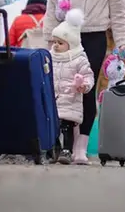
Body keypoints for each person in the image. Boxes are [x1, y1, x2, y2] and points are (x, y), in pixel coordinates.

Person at [43, 0, 125, 165]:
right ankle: (61, 146)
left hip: (94, 35)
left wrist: (123, 41)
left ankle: (80, 148)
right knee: (63, 89)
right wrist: (49, 35)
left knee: (86, 87)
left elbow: (120, 8)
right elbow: (53, 2)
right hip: (67, 34)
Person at [49, 9, 95, 164]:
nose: (55, 46)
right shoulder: (51, 57)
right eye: (54, 42)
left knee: (67, 126)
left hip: (70, 100)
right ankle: (54, 149)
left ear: (71, 43)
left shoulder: (79, 58)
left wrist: (84, 85)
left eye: (60, 43)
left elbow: (89, 75)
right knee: (54, 127)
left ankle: (67, 150)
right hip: (54, 99)